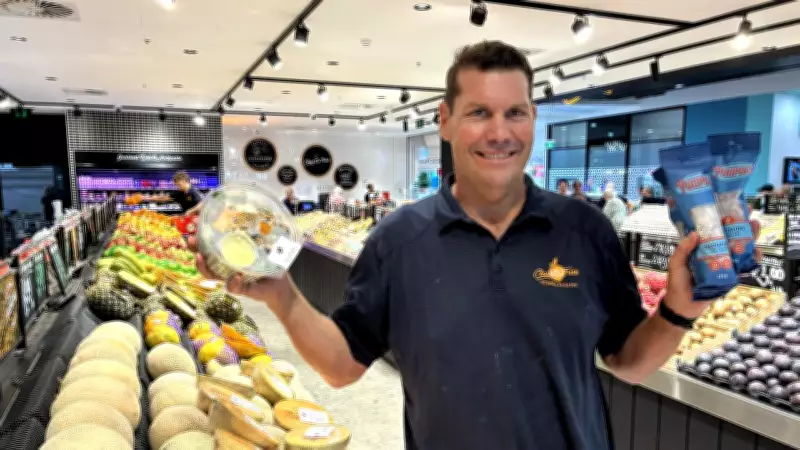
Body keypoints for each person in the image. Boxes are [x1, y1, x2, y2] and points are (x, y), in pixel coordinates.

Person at [189, 41, 759, 450]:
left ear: (533, 118)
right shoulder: (399, 241)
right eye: (479, 113)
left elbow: (628, 363)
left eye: (515, 112)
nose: (499, 132)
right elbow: (342, 367)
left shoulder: (585, 231)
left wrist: (680, 309)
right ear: (444, 121)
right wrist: (282, 295)